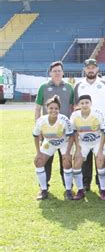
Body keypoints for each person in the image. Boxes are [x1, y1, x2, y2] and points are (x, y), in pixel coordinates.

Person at [74, 58, 105, 191]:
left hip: (100, 127)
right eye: (88, 67)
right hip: (84, 127)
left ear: (97, 69)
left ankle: (100, 182)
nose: (90, 70)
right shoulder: (79, 85)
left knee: (100, 155)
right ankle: (86, 183)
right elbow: (75, 106)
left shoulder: (104, 83)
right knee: (85, 156)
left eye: (93, 67)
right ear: (84, 69)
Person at [35, 61, 74, 189]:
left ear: (63, 73)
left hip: (65, 133)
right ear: (50, 73)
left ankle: (67, 186)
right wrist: (39, 128)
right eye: (54, 71)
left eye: (59, 71)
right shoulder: (43, 87)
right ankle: (43, 186)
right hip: (48, 133)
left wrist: (72, 127)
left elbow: (72, 108)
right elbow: (37, 108)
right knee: (45, 160)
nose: (57, 73)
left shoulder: (69, 87)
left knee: (66, 159)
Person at [33, 95, 74, 200]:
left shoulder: (64, 120)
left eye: (56, 108)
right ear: (47, 108)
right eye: (51, 108)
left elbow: (71, 137)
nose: (53, 110)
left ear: (59, 109)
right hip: (49, 143)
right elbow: (36, 136)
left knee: (67, 162)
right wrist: (38, 152)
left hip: (64, 143)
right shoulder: (41, 120)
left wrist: (68, 153)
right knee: (38, 161)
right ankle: (43, 190)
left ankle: (68, 191)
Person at [69, 95, 105, 200]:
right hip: (83, 143)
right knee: (77, 163)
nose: (84, 105)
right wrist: (77, 149)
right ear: (79, 105)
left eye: (87, 102)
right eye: (82, 103)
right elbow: (74, 133)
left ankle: (103, 190)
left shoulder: (97, 114)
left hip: (97, 141)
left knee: (100, 161)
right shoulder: (74, 115)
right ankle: (80, 190)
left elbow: (104, 132)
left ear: (91, 104)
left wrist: (100, 150)